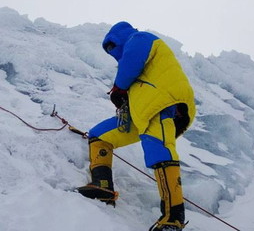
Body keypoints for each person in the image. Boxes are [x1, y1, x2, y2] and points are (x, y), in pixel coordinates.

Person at [77, 21, 196, 231]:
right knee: (99, 136)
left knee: (158, 149)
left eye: (113, 46)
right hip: (144, 110)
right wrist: (125, 99)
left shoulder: (140, 39)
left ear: (120, 36)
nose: (112, 52)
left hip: (163, 104)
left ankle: (173, 218)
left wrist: (118, 89)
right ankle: (102, 186)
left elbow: (131, 62)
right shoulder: (140, 66)